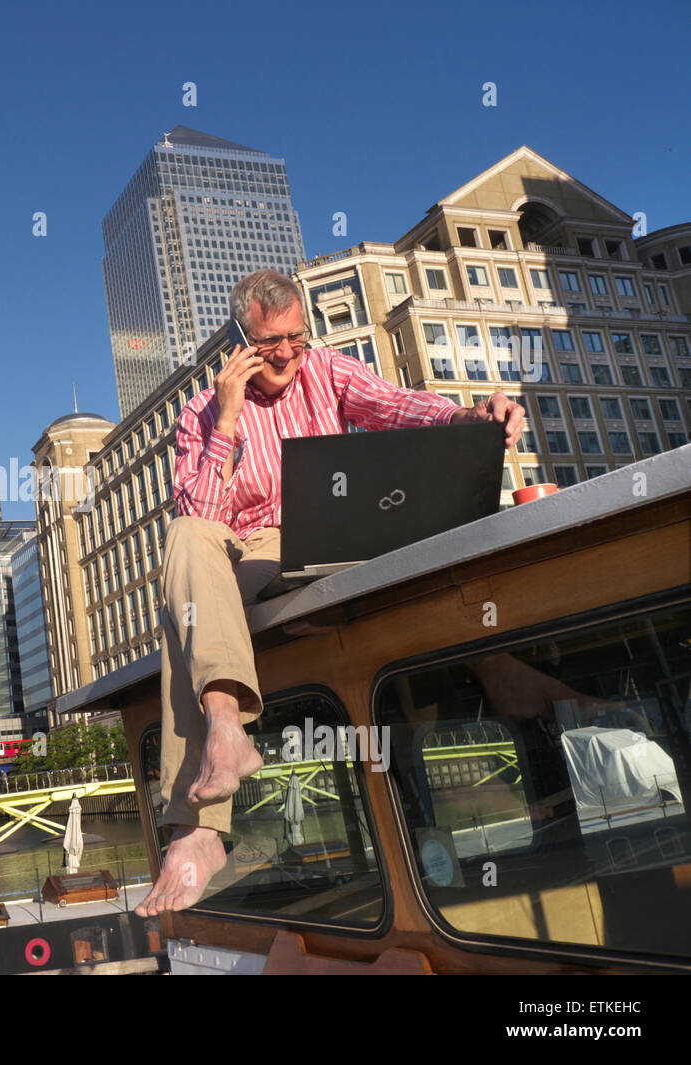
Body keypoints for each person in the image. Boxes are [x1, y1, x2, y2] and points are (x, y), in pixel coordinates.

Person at [136, 269, 525, 917]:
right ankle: (224, 743)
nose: (287, 353)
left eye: (295, 338)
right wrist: (228, 420)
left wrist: (468, 415)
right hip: (254, 551)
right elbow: (201, 512)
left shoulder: (327, 370)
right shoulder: (202, 412)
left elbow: (399, 406)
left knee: (435, 523)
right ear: (239, 339)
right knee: (185, 551)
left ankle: (502, 665)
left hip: (344, 532)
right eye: (268, 343)